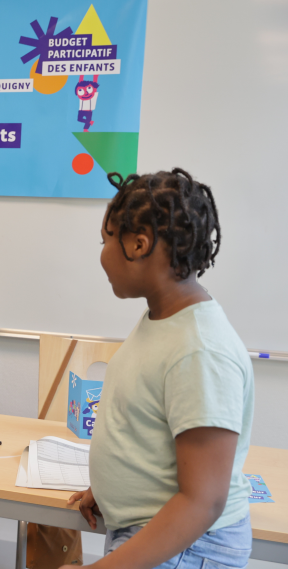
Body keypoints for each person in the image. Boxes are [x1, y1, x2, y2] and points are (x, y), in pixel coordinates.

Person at [62, 169, 254, 569]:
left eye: (106, 240)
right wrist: (117, 483)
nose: (102, 254)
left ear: (139, 243)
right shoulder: (163, 317)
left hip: (188, 544)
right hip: (157, 530)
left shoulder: (200, 350)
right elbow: (148, 420)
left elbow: (203, 501)